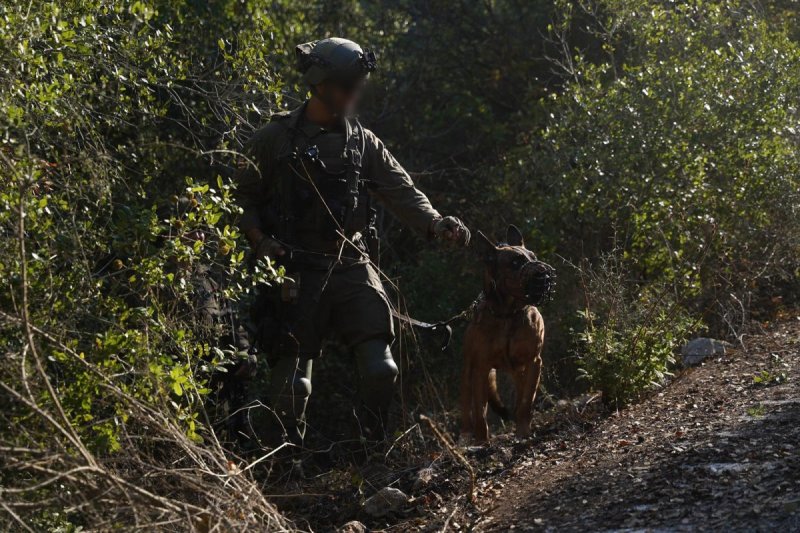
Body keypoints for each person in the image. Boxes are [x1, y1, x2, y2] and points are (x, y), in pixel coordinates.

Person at [234, 37, 469, 447]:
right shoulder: (273, 139)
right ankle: (288, 470)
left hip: (351, 266)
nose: (353, 93)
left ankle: (374, 451)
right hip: (295, 272)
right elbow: (240, 199)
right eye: (346, 85)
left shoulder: (362, 142)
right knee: (293, 388)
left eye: (358, 85)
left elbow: (401, 190)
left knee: (382, 370)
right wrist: (260, 242)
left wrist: (435, 223)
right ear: (320, 83)